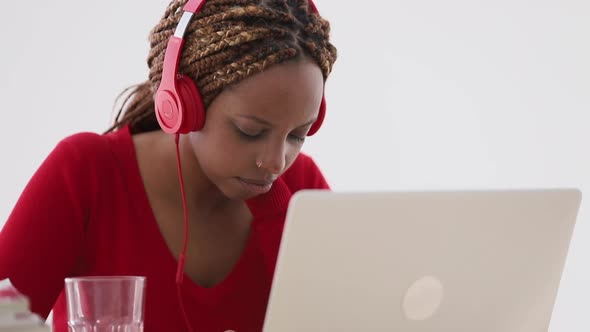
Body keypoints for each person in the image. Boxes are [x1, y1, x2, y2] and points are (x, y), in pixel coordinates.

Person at [0, 0, 337, 331]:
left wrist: (275, 214)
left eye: (297, 135)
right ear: (182, 103)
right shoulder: (86, 173)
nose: (275, 162)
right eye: (250, 131)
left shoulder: (300, 191)